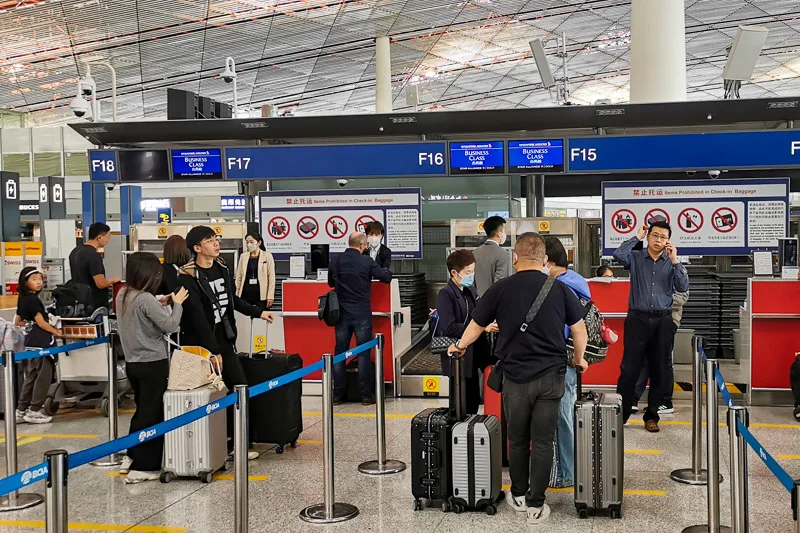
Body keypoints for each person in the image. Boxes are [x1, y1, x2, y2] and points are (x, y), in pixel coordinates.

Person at [448, 232, 588, 525]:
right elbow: (579, 330)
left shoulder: (501, 289)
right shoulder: (560, 289)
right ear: (544, 260)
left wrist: (460, 346)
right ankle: (537, 504)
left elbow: (476, 325)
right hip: (551, 377)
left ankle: (519, 494)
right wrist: (578, 359)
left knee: (518, 439)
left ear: (515, 258)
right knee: (544, 440)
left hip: (515, 377)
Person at [179, 226, 274, 460]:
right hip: (200, 344)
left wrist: (257, 312)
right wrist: (212, 351)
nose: (216, 243)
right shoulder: (187, 276)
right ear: (197, 248)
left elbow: (233, 300)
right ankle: (208, 445)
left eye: (216, 239)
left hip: (225, 337)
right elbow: (197, 317)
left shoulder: (221, 267)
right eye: (209, 241)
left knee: (240, 386)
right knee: (207, 393)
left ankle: (236, 443)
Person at [116, 252, 188, 484]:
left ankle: (131, 455)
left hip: (133, 364)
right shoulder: (145, 298)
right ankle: (145, 466)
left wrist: (161, 302)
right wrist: (177, 305)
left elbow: (142, 313)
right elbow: (170, 325)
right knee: (153, 414)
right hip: (153, 364)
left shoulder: (123, 295)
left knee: (141, 411)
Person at [613, 221, 689, 433]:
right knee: (629, 369)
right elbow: (618, 255)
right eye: (655, 236)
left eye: (663, 237)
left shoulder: (671, 262)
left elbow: (683, 286)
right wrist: (636, 237)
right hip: (637, 319)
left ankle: (652, 415)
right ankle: (622, 413)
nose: (659, 240)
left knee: (659, 369)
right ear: (649, 236)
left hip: (663, 321)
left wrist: (675, 260)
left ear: (668, 240)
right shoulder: (636, 258)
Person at [544, 236, 591, 489]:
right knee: (567, 411)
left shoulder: (559, 287)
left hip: (560, 354)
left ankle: (566, 473)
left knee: (561, 415)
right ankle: (569, 467)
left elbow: (565, 326)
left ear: (548, 261)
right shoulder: (578, 280)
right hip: (573, 355)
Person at [329, 232, 392, 405]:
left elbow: (330, 283)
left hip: (341, 313)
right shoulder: (366, 261)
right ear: (363, 245)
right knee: (363, 354)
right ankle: (365, 396)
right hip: (362, 313)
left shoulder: (336, 260)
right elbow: (386, 278)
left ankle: (337, 395)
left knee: (340, 353)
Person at [435, 250, 496, 414]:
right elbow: (450, 326)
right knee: (463, 401)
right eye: (468, 272)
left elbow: (479, 314)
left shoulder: (469, 290)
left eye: (473, 271)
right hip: (459, 354)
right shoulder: (445, 294)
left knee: (474, 397)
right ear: (454, 272)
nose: (471, 275)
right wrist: (482, 328)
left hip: (475, 352)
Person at [14, 267, 63, 425]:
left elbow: (17, 322)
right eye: (34, 279)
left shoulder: (23, 299)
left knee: (31, 377)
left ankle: (21, 410)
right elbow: (41, 323)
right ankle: (35, 410)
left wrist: (30, 324)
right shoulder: (34, 300)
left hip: (30, 344)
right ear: (25, 282)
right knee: (43, 377)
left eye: (40, 279)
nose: (39, 282)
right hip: (42, 343)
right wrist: (56, 331)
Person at [631, 290, 689, 415]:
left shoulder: (675, 270)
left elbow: (682, 296)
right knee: (644, 358)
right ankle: (634, 398)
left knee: (663, 360)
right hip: (648, 319)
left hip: (668, 319)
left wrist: (657, 302)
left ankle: (664, 401)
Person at [68, 222, 121, 310]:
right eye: (108, 237)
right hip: (94, 305)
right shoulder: (93, 255)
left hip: (78, 303)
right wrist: (112, 280)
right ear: (99, 237)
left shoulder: (75, 251)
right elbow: (100, 283)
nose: (108, 240)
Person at [235, 232, 276, 310]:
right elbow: (239, 276)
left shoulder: (267, 256)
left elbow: (271, 277)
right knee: (245, 318)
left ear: (259, 243)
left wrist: (270, 296)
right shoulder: (243, 256)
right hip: (245, 292)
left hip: (261, 294)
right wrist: (237, 294)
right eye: (247, 242)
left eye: (251, 242)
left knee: (261, 318)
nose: (249, 244)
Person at [472, 215, 510, 297]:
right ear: (499, 234)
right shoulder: (502, 253)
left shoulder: (475, 253)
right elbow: (499, 283)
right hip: (494, 302)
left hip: (479, 301)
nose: (504, 234)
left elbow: (473, 282)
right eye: (504, 231)